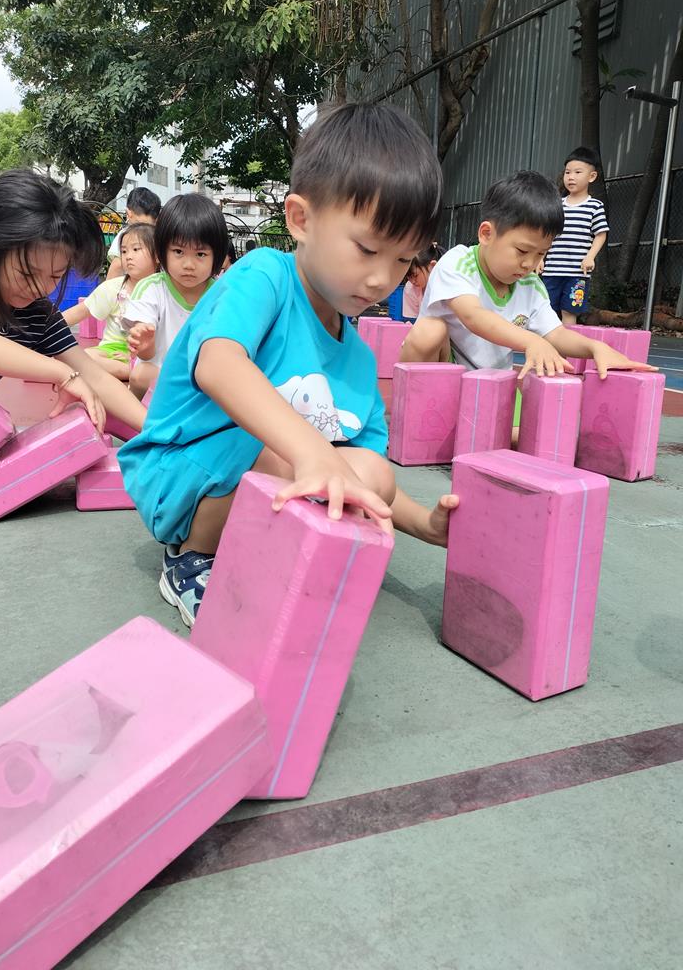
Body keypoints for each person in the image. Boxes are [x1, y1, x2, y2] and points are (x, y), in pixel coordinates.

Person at [119, 102, 459, 626]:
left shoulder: (359, 359)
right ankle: (191, 558)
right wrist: (312, 452)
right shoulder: (266, 277)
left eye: (401, 259)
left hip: (269, 474)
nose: (381, 279)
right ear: (301, 219)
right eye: (366, 249)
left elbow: (362, 476)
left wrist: (422, 524)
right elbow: (218, 365)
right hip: (180, 472)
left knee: (372, 472)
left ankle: (270, 555)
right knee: (287, 450)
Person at [0, 169, 147, 432]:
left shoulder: (38, 316)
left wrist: (155, 430)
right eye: (27, 273)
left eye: (56, 275)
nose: (40, 288)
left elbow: (96, 377)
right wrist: (62, 373)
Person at [399, 170, 657, 381]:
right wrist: (531, 341)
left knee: (536, 419)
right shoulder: (458, 262)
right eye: (522, 251)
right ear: (487, 234)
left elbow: (556, 334)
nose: (529, 264)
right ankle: (420, 410)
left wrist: (594, 348)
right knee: (429, 331)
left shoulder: (530, 285)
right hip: (446, 376)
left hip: (494, 383)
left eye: (541, 254)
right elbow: (473, 316)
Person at [122, 194, 228, 399]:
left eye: (200, 254)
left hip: (201, 377)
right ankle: (133, 415)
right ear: (162, 251)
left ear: (217, 256)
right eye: (178, 251)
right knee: (140, 374)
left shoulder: (221, 295)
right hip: (159, 373)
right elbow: (146, 355)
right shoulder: (152, 289)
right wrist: (145, 344)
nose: (188, 265)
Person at [62, 223, 158, 380]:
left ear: (158, 255)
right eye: (124, 251)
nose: (128, 256)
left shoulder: (164, 290)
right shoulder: (113, 288)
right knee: (84, 356)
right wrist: (45, 331)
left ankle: (133, 370)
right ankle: (130, 371)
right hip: (110, 351)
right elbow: (79, 312)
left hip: (150, 354)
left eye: (136, 249)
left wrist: (136, 356)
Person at [540, 147, 609, 324]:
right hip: (552, 270)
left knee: (569, 311)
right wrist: (540, 258)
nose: (571, 177)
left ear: (591, 177)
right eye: (568, 172)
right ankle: (544, 341)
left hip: (578, 273)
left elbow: (601, 234)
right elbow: (548, 234)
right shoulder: (557, 205)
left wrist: (590, 257)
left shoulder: (595, 206)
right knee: (544, 309)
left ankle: (566, 341)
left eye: (578, 172)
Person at [104, 187, 161, 280]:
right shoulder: (160, 235)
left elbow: (117, 267)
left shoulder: (125, 234)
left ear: (128, 213)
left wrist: (107, 288)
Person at [401, 242, 444, 319]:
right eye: (408, 277)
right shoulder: (410, 288)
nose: (412, 281)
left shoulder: (447, 285)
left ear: (432, 266)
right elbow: (412, 320)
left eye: (415, 275)